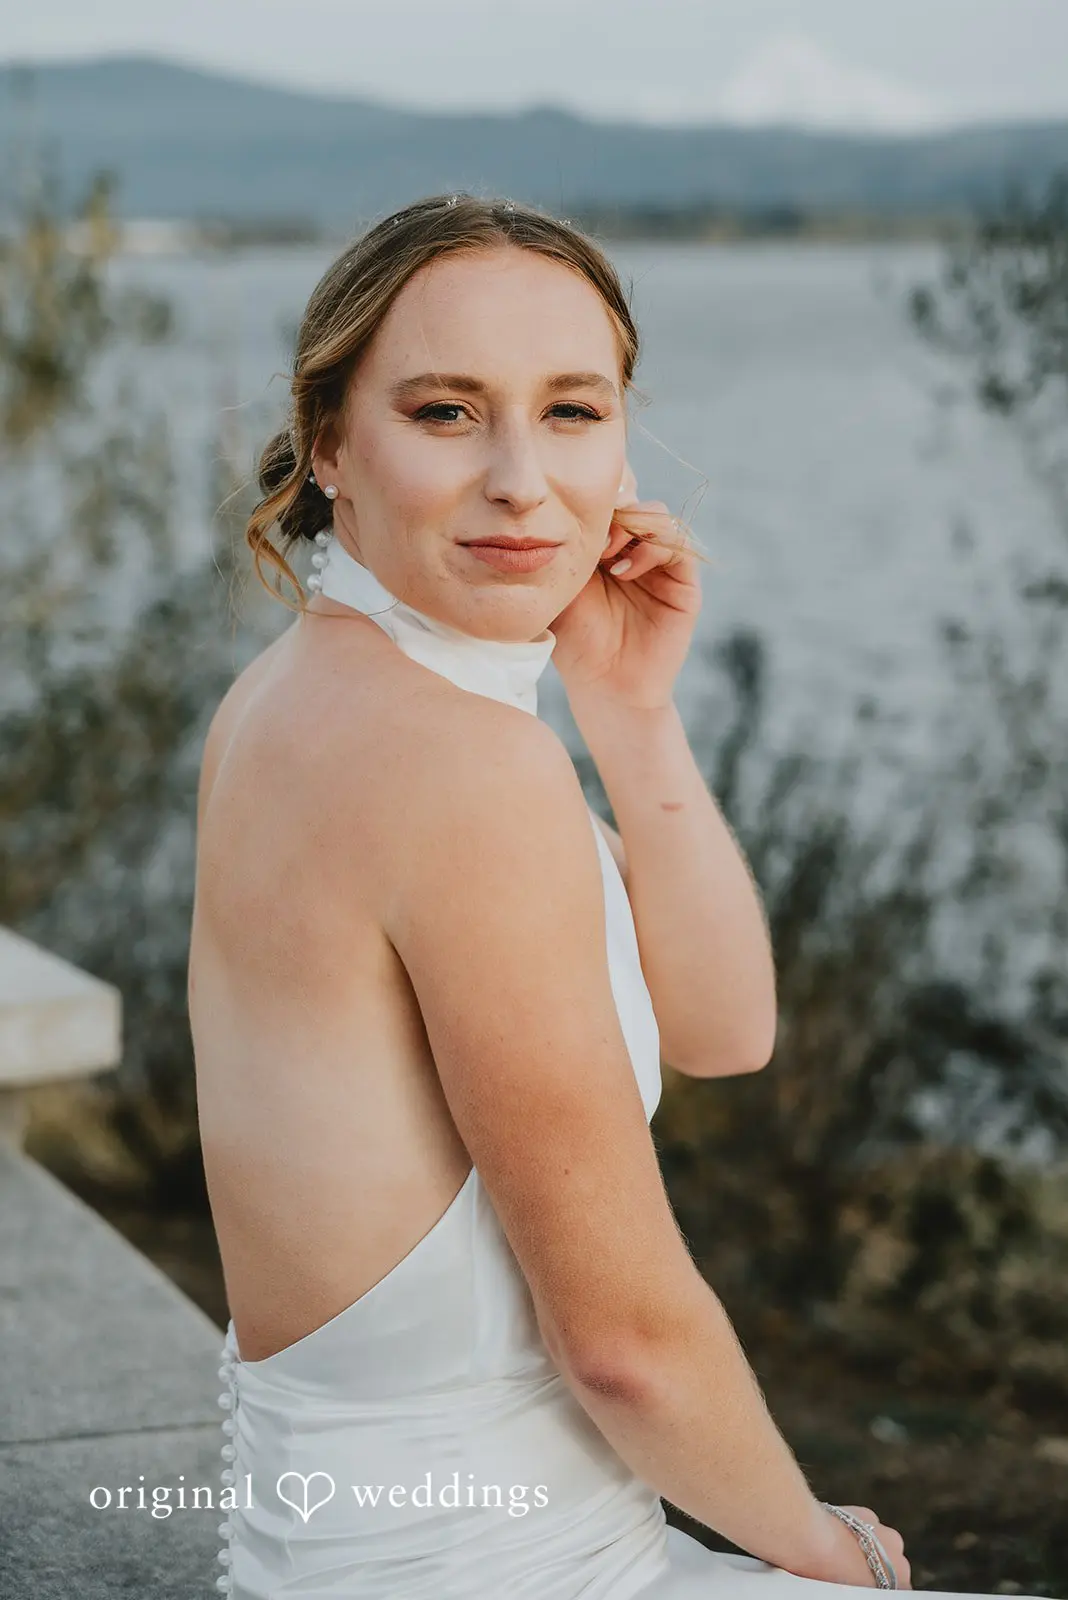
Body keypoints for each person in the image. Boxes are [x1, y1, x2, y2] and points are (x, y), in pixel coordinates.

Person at [188, 193, 1039, 1600]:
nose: (524, 478)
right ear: (331, 440)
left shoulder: (291, 697)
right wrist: (828, 1551)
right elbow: (624, 1346)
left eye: (572, 411)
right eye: (448, 412)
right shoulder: (460, 767)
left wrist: (632, 715)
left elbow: (722, 1030)